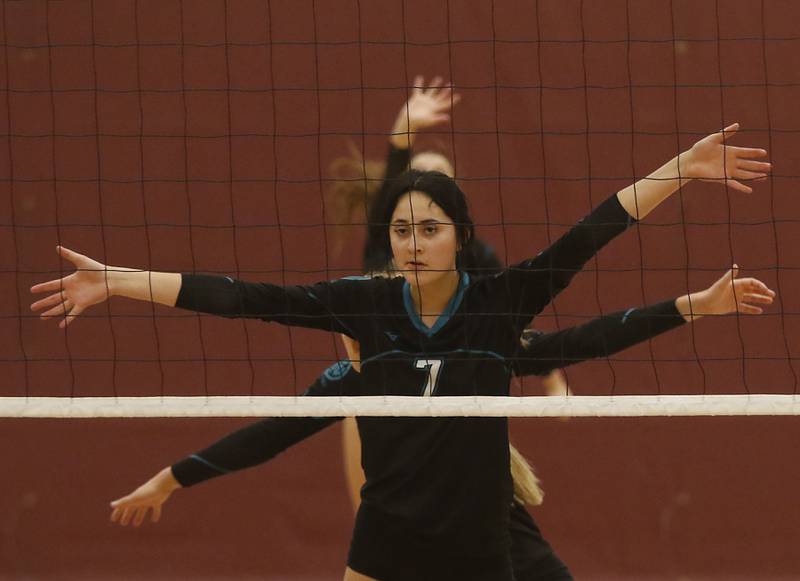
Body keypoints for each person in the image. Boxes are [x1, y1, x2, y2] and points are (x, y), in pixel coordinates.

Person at [31, 122, 773, 580]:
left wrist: (682, 171)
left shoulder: (495, 307)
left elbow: (591, 249)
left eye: (429, 229)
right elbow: (245, 308)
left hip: (481, 542)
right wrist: (120, 285)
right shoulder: (364, 317)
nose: (414, 244)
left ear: (460, 236)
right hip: (387, 543)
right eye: (401, 231)